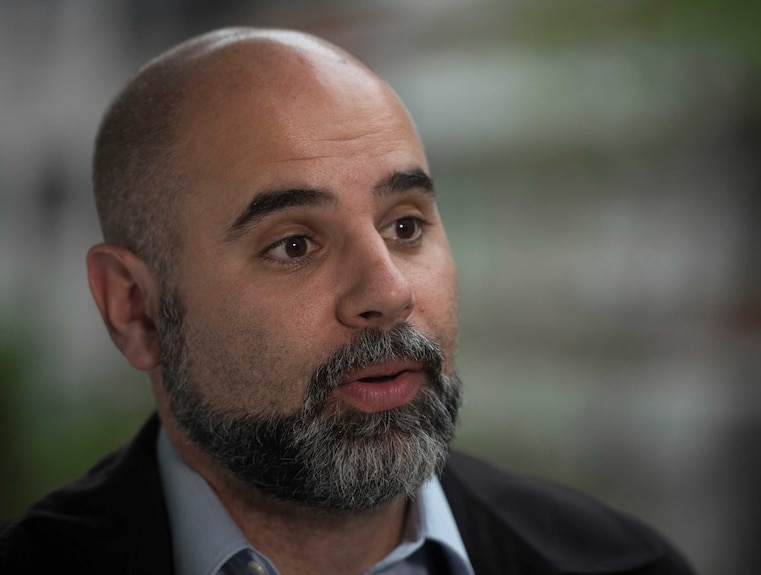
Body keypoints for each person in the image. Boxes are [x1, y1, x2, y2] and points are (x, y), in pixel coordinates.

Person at [0, 28, 694, 575]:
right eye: (294, 245)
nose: (389, 292)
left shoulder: (626, 563)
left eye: (405, 226)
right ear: (135, 308)